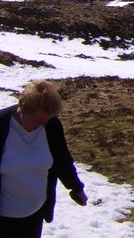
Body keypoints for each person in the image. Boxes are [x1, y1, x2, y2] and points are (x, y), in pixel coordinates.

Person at [0, 80, 87, 238]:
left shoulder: (51, 125)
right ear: (24, 109)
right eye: (39, 120)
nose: (43, 125)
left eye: (47, 119)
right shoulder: (2, 125)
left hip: (35, 214)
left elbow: (62, 160)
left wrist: (76, 187)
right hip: (3, 218)